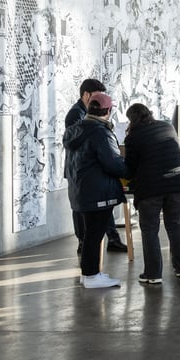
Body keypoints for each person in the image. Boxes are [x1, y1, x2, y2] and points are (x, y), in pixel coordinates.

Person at [62, 92, 127, 289]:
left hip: (80, 190)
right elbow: (113, 163)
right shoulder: (100, 133)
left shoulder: (75, 130)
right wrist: (130, 171)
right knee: (94, 235)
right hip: (99, 192)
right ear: (108, 111)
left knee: (90, 234)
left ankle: (88, 273)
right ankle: (91, 276)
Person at [123, 103, 180, 284]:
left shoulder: (133, 137)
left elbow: (129, 168)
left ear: (132, 119)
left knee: (150, 230)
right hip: (179, 183)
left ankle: (153, 274)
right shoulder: (167, 127)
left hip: (151, 187)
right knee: (175, 225)